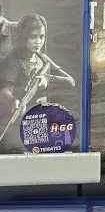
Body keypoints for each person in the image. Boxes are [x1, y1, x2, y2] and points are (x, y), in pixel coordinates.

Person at [0, 14, 75, 148]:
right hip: (17, 123)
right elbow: (5, 90)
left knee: (38, 155)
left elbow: (70, 81)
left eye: (42, 37)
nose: (38, 42)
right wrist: (13, 101)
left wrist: (47, 79)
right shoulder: (13, 61)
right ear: (23, 37)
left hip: (41, 119)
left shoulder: (43, 58)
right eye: (33, 37)